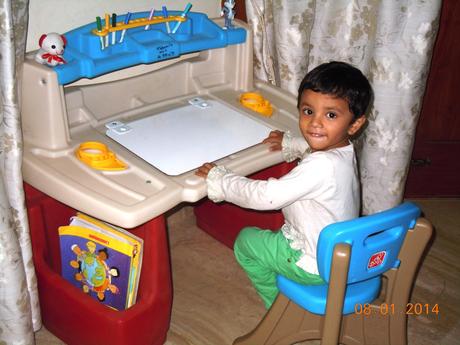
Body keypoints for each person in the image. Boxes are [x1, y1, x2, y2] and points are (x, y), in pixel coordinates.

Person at [195, 61, 373, 309]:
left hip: (311, 264)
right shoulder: (343, 151)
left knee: (246, 242)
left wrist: (221, 179)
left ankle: (276, 306)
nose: (315, 123)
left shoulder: (321, 166)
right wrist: (291, 143)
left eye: (330, 115)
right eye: (308, 111)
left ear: (355, 124)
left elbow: (266, 197)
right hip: (341, 256)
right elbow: (315, 150)